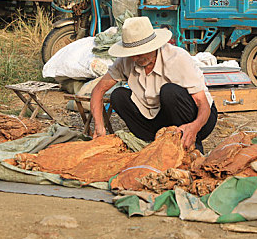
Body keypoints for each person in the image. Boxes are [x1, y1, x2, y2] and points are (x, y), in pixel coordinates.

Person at [90, 16, 218, 153]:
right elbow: (98, 90)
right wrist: (99, 127)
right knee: (118, 95)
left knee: (169, 92)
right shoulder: (126, 61)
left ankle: (191, 144)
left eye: (139, 54)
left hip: (197, 119)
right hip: (156, 117)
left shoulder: (177, 58)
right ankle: (151, 144)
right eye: (131, 54)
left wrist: (194, 126)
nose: (135, 58)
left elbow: (202, 103)